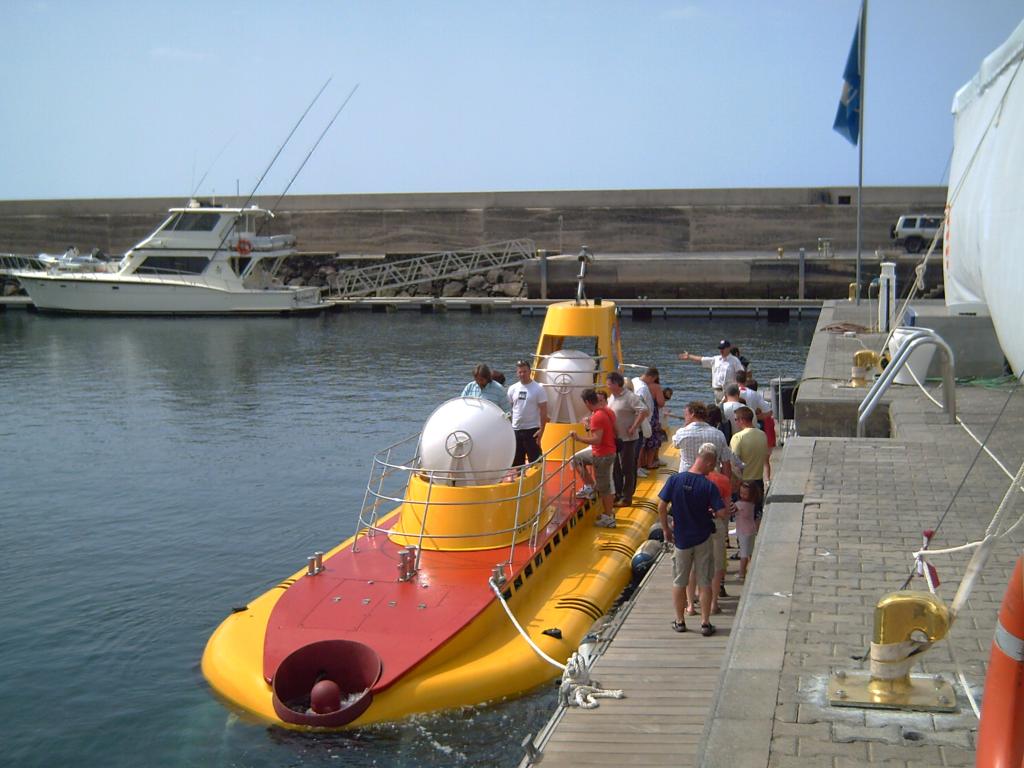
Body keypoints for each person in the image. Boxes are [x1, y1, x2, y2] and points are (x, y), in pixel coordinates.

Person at [657, 446, 726, 637]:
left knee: (680, 580)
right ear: (709, 463)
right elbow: (721, 513)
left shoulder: (675, 480)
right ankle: (705, 622)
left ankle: (680, 621)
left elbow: (661, 506)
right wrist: (717, 511)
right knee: (704, 581)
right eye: (711, 467)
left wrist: (665, 529)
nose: (711, 471)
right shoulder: (709, 486)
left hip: (681, 539)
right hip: (702, 538)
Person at [685, 443, 735, 616]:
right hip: (716, 524)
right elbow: (725, 509)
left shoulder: (689, 479)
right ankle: (713, 603)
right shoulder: (723, 481)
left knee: (693, 566)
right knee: (716, 565)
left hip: (694, 524)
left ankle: (691, 605)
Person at [572, 389, 618, 528]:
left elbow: (597, 440)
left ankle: (609, 517)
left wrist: (578, 438)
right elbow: (614, 430)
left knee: (605, 488)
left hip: (602, 455)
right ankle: (591, 487)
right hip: (606, 451)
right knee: (576, 459)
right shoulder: (607, 411)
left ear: (587, 402)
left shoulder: (597, 416)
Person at [605, 371, 648, 507]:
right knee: (616, 467)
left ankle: (627, 497)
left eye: (610, 384)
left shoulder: (630, 397)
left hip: (628, 439)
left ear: (617, 384)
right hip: (615, 438)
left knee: (627, 468)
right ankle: (618, 493)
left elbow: (643, 410)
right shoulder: (612, 397)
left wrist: (634, 426)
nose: (608, 386)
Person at [670, 400, 740, 478]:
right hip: (711, 480)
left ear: (692, 414)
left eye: (686, 415)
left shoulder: (682, 432)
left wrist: (685, 425)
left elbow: (675, 444)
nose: (685, 417)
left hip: (686, 478)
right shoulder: (719, 434)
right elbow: (726, 464)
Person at [729, 406, 768, 519]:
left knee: (742, 517)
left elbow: (734, 462)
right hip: (758, 480)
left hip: (744, 483)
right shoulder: (762, 434)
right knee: (757, 514)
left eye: (736, 419)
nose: (735, 422)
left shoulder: (738, 437)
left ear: (742, 420)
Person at [507, 360, 548, 466]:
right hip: (516, 429)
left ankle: (539, 481)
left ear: (529, 371)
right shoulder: (512, 389)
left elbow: (543, 410)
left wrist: (542, 429)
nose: (522, 374)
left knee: (536, 460)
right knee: (517, 462)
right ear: (517, 373)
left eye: (524, 371)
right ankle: (519, 478)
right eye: (520, 372)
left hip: (532, 429)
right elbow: (509, 409)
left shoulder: (538, 388)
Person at [679, 340, 744, 403]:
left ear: (728, 348)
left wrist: (740, 388)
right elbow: (702, 359)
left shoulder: (735, 361)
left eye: (723, 348)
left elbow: (741, 375)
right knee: (718, 411)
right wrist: (689, 356)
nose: (721, 350)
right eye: (720, 348)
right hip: (717, 392)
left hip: (730, 392)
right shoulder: (715, 359)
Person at [735, 480, 761, 581]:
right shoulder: (752, 504)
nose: (742, 495)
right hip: (752, 529)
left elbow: (730, 509)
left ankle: (742, 572)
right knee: (750, 551)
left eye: (745, 494)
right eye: (741, 493)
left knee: (743, 553)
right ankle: (752, 570)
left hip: (743, 531)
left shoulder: (739, 504)